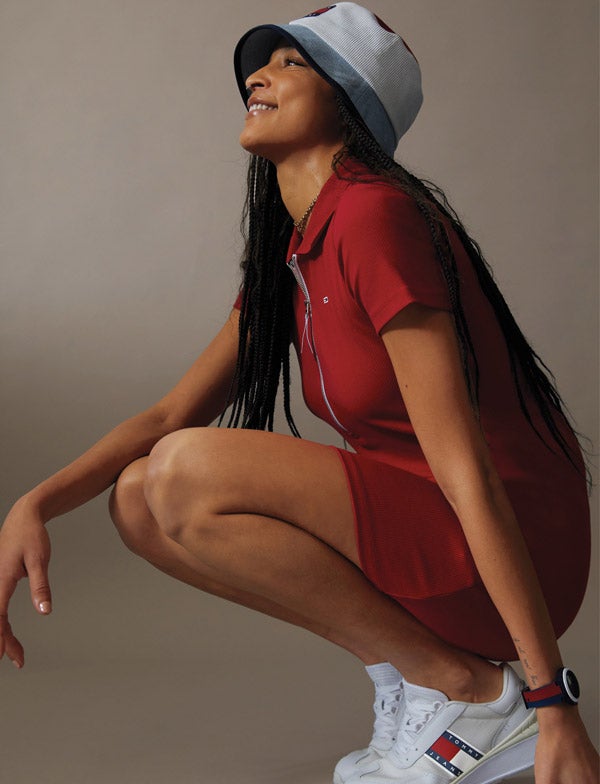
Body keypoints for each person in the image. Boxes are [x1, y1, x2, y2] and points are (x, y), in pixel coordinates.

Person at [0, 3, 597, 783]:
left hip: (511, 540)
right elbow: (169, 414)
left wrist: (554, 699)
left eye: (293, 63)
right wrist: (33, 504)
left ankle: (480, 693)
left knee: (180, 471)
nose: (260, 74)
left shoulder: (376, 218)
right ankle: (426, 682)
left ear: (350, 103)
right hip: (432, 522)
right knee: (139, 500)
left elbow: (467, 470)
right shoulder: (298, 247)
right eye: (261, 62)